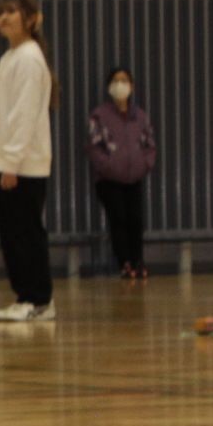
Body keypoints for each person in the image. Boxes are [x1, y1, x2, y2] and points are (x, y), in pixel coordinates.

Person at [0, 0, 57, 322]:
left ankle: (39, 299)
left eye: (11, 12)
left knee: (26, 233)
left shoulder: (29, 59)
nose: (3, 18)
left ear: (30, 19)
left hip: (23, 167)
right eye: (0, 13)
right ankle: (24, 296)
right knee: (12, 235)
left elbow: (24, 116)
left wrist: (11, 163)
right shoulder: (9, 59)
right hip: (6, 163)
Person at [88, 66, 156, 280]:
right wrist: (108, 166)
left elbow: (150, 145)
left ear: (131, 86)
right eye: (116, 80)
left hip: (133, 177)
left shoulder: (140, 117)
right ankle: (124, 262)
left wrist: (145, 164)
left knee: (135, 219)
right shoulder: (99, 116)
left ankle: (138, 260)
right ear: (109, 87)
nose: (121, 85)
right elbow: (93, 147)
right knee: (118, 218)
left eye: (124, 80)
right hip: (109, 179)